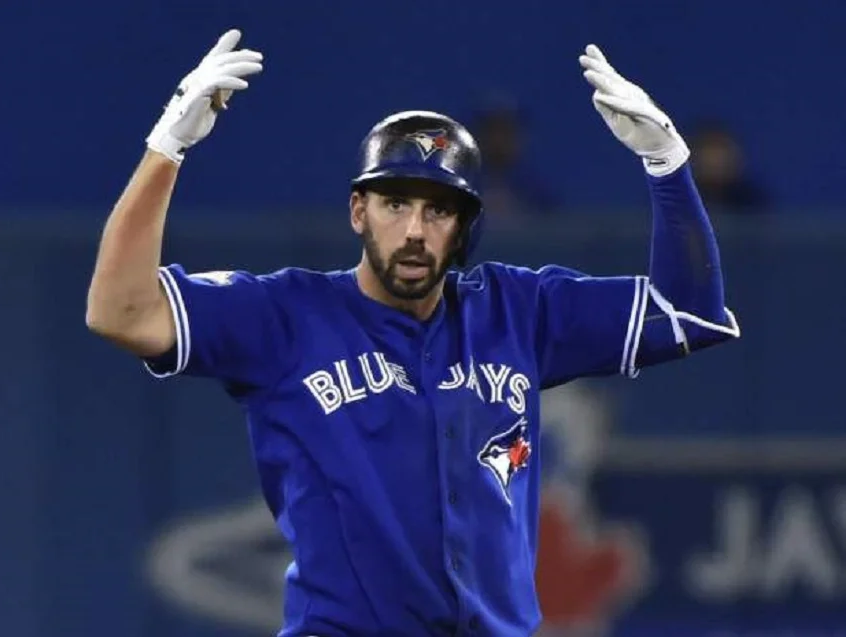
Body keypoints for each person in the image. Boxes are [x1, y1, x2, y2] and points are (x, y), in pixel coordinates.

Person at [86, 29, 740, 637]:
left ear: (465, 227)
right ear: (358, 210)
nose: (415, 230)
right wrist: (165, 149)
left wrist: (667, 163)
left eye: (438, 209)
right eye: (395, 203)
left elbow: (689, 313)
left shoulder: (518, 311)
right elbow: (121, 313)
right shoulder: (286, 314)